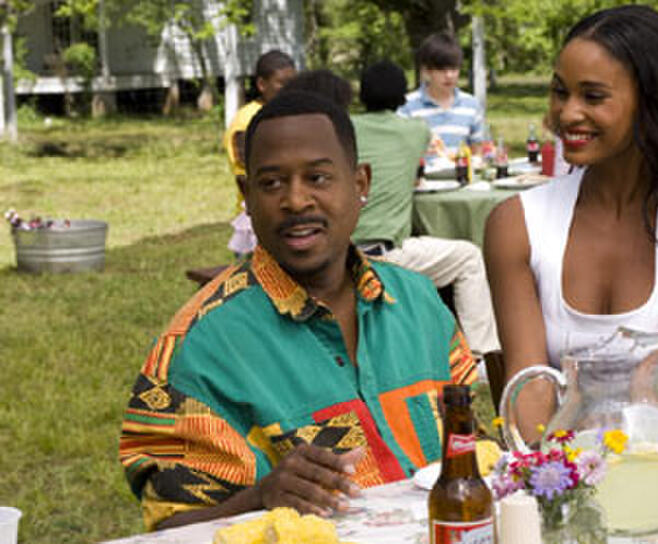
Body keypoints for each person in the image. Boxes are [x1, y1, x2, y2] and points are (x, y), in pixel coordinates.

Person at [119, 91, 477, 530]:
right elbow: (170, 530)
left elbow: (473, 456)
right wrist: (260, 497)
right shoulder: (199, 347)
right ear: (245, 195)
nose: (295, 200)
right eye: (271, 183)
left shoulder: (419, 302)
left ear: (360, 184)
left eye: (319, 178)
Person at [484, 5, 658, 439]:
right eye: (560, 92)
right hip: (559, 473)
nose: (567, 113)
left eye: (593, 96)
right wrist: (559, 481)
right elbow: (530, 389)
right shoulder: (517, 225)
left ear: (653, 103)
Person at [352, 60, 500, 356]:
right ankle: (482, 354)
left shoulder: (345, 127)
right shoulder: (415, 130)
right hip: (383, 255)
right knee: (469, 257)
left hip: (339, 250)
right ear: (400, 96)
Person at [224, 49, 296, 258]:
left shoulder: (285, 114)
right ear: (262, 85)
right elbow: (248, 166)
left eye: (292, 83)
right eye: (282, 83)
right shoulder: (246, 120)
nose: (289, 90)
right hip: (256, 221)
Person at [398, 32, 485, 160]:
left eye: (454, 69)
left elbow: (478, 151)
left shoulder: (471, 105)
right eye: (442, 70)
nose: (449, 76)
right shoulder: (407, 106)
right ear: (427, 71)